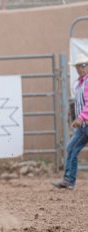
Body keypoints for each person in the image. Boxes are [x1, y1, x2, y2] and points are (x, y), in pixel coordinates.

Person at [52, 54, 88, 190]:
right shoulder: (80, 83)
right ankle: (68, 180)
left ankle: (69, 180)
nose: (80, 68)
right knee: (71, 148)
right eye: (78, 66)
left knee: (72, 148)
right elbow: (79, 102)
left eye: (83, 65)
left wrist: (80, 117)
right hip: (83, 125)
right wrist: (76, 116)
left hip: (84, 123)